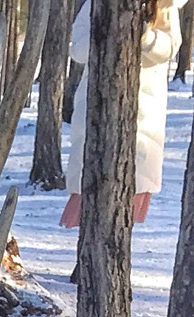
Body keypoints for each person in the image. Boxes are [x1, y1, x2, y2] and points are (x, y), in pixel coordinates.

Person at [61, 0, 180, 228]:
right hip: (97, 104)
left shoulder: (164, 4)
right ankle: (89, 257)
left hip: (142, 112)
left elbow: (169, 48)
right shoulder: (98, 3)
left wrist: (143, 36)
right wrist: (107, 33)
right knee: (91, 183)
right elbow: (77, 48)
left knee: (127, 193)